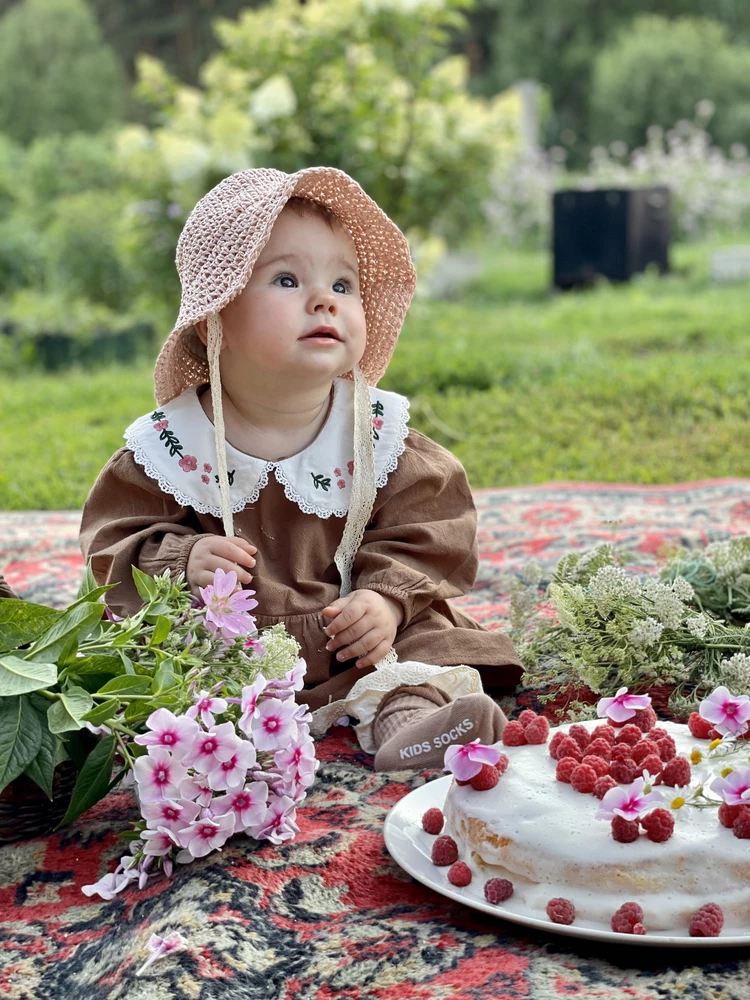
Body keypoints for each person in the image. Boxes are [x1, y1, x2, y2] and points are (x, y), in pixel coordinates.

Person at [80, 167, 522, 771]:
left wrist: (387, 601)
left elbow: (431, 525)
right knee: (161, 679)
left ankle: (411, 720)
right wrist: (181, 562)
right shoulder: (172, 445)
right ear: (217, 320)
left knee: (422, 645)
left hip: (355, 632)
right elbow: (113, 543)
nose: (325, 300)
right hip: (237, 644)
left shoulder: (374, 436)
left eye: (344, 282)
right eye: (287, 279)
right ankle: (227, 746)